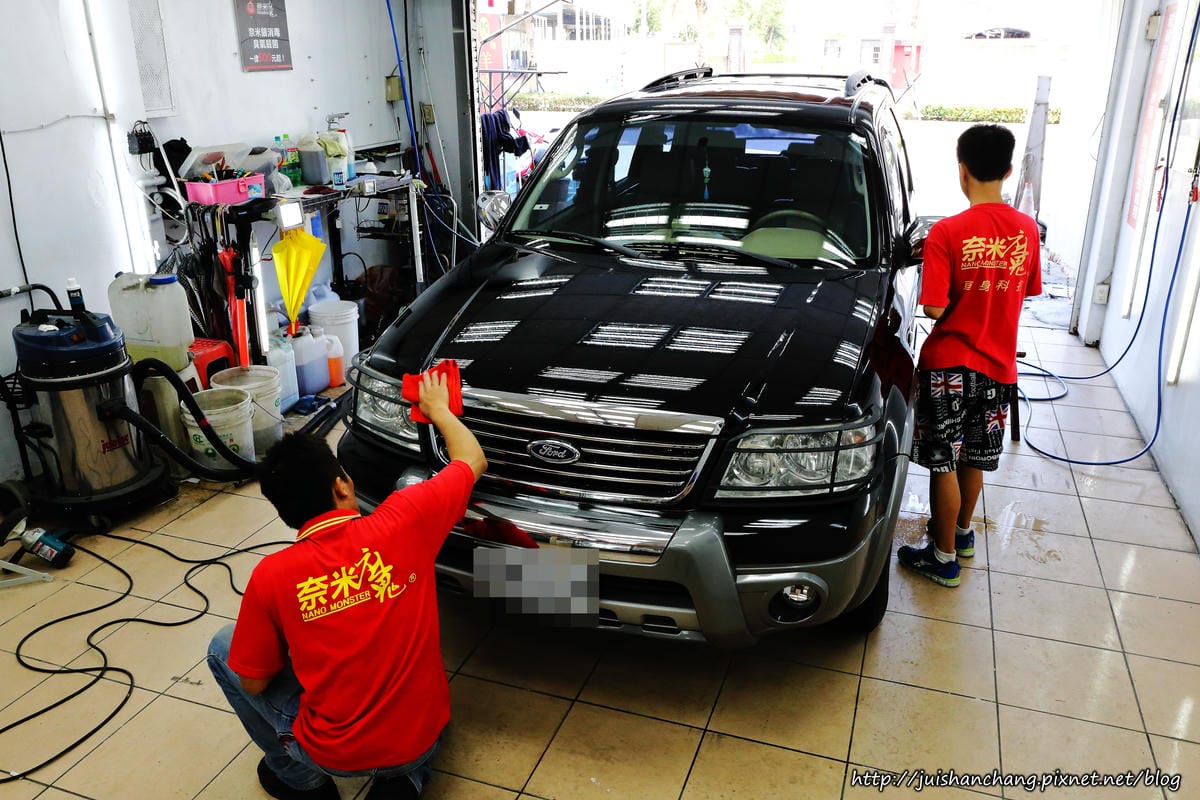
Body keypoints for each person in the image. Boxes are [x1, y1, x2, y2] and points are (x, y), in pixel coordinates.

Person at [207, 372, 486, 800]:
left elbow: (254, 684)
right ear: (342, 485)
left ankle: (301, 781)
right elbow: (472, 459)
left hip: (336, 755)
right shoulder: (407, 518)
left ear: (285, 512)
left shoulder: (272, 576)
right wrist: (438, 410)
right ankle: (406, 777)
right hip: (420, 737)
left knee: (223, 646)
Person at [898, 123, 1042, 587]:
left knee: (944, 462)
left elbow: (934, 307)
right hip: (999, 367)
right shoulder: (1027, 230)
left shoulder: (947, 231)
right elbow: (1026, 291)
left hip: (950, 367)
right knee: (975, 456)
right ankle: (961, 535)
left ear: (962, 170)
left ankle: (942, 560)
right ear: (1009, 170)